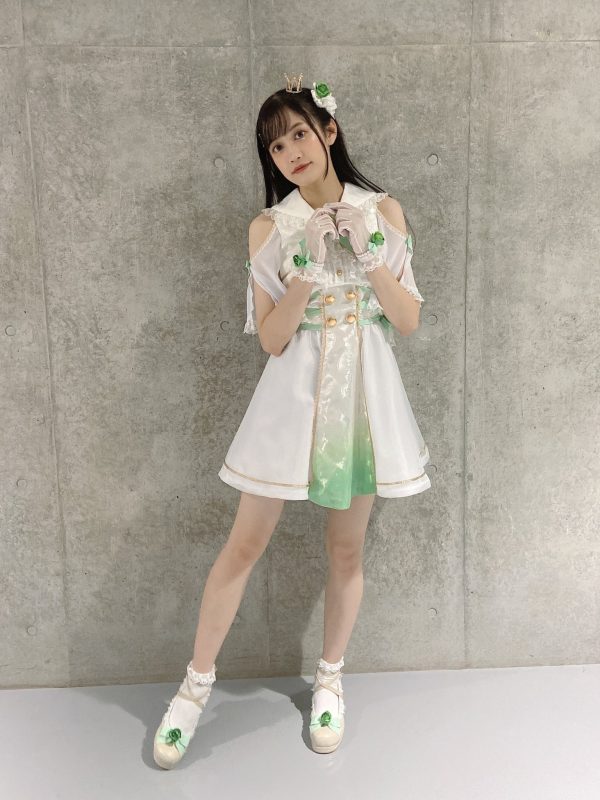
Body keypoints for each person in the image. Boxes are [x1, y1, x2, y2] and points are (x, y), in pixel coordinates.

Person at [153, 73, 430, 769]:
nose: (292, 153)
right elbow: (273, 340)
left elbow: (407, 320)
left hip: (363, 395)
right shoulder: (268, 227)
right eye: (276, 146)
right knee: (244, 544)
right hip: (292, 398)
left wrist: (369, 259)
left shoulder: (383, 211)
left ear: (329, 132)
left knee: (346, 549)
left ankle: (329, 680)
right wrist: (303, 272)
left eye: (300, 134)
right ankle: (193, 690)